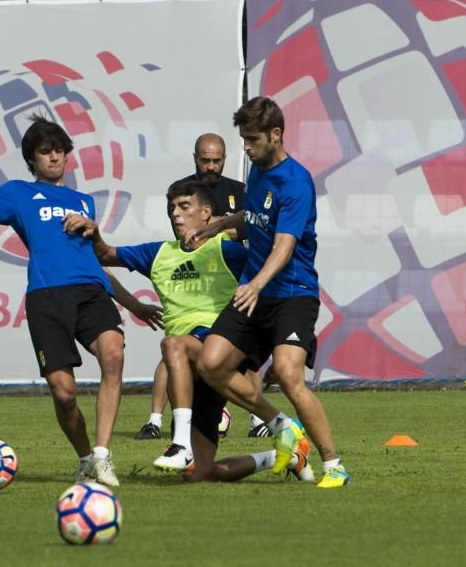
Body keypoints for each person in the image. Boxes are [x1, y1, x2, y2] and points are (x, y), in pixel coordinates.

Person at [0, 114, 153, 487]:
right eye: (45, 152)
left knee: (113, 354)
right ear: (32, 159)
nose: (53, 157)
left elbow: (95, 260)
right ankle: (84, 458)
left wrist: (134, 304)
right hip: (47, 297)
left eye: (59, 150)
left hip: (91, 292)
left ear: (68, 155)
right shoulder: (17, 193)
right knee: (64, 394)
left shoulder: (84, 202)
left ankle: (102, 454)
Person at [65, 179, 311, 480]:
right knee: (201, 474)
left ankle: (181, 443)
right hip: (191, 376)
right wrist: (94, 231)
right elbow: (104, 255)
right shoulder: (158, 253)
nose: (176, 214)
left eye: (184, 207)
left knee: (173, 345)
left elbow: (277, 284)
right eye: (172, 208)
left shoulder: (229, 251)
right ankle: (287, 458)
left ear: (206, 213)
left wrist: (290, 342)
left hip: (219, 351)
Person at [185, 96, 351, 489]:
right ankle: (283, 427)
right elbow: (255, 215)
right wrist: (215, 226)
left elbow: (284, 244)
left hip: (292, 294)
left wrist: (257, 283)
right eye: (243, 139)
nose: (245, 146)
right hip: (255, 293)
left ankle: (335, 466)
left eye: (252, 139)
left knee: (290, 375)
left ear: (275, 135)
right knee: (210, 364)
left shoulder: (296, 182)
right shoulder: (258, 172)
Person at [135, 133, 270, 440]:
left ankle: (258, 420)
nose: (211, 166)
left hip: (229, 276)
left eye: (216, 160)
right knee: (173, 347)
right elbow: (185, 231)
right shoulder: (185, 191)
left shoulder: (240, 190)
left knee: (244, 352)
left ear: (224, 158)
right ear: (194, 158)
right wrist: (220, 227)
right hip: (194, 275)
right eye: (204, 160)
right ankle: (154, 420)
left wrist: (220, 227)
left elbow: (251, 227)